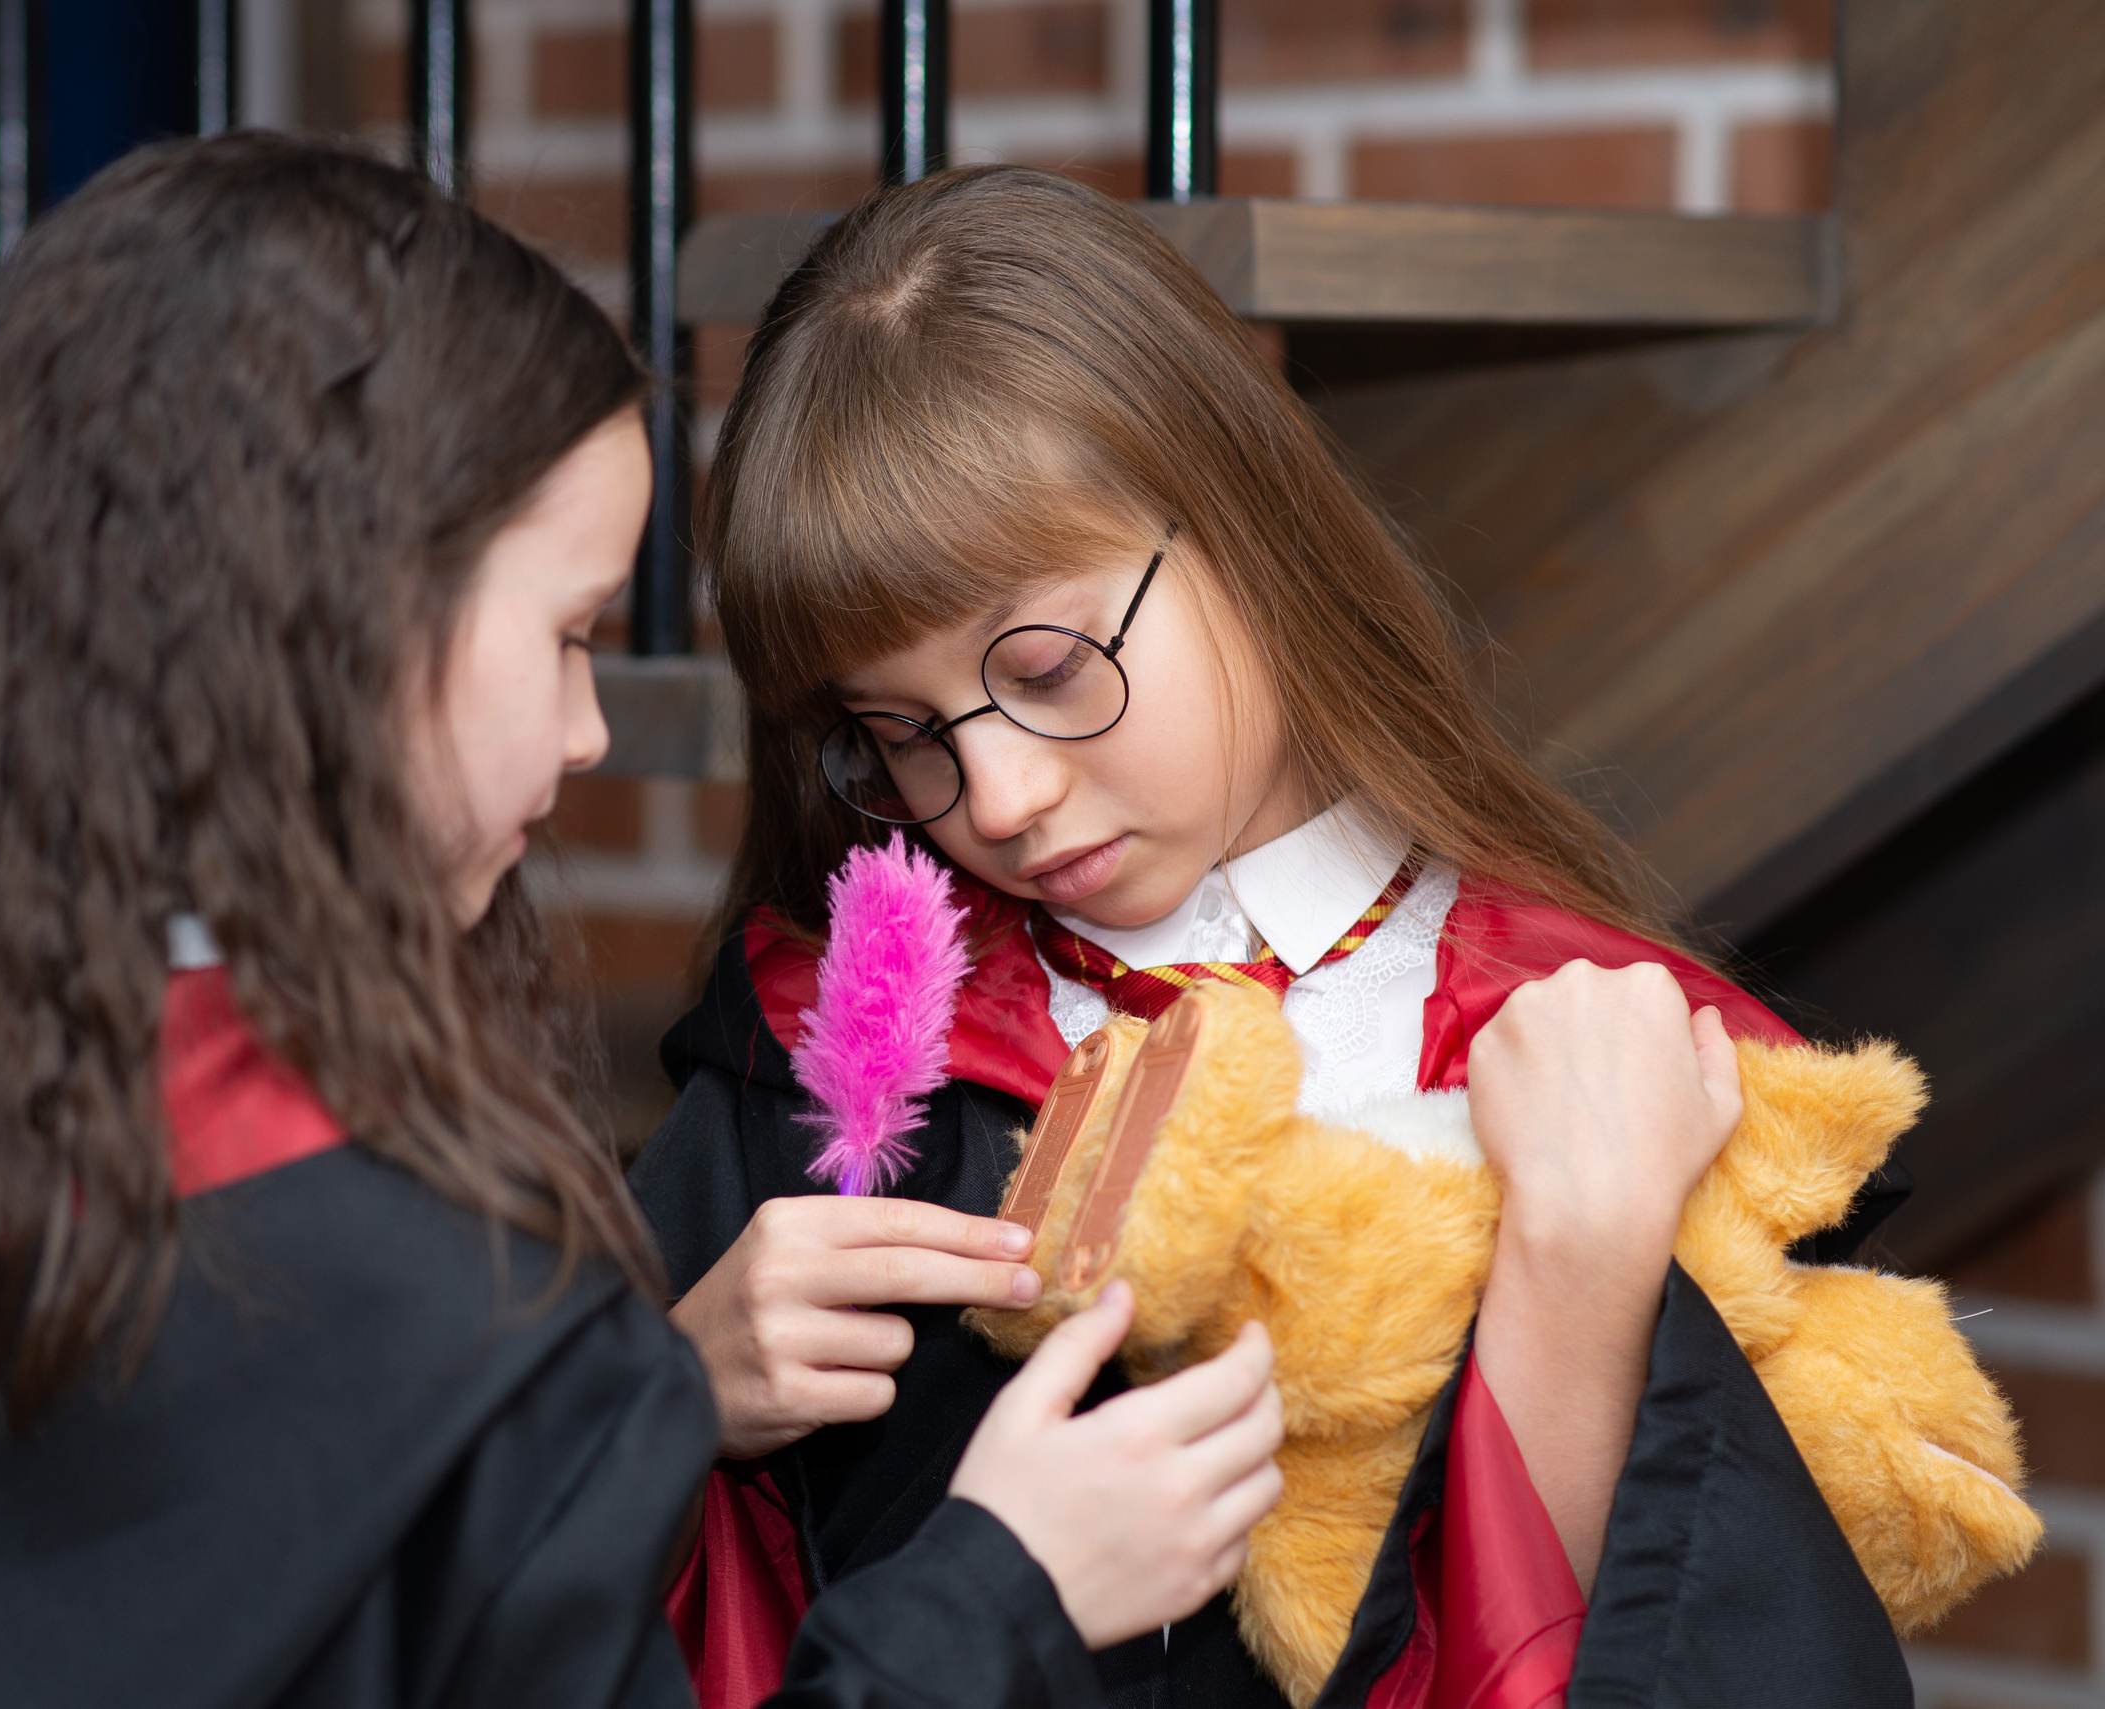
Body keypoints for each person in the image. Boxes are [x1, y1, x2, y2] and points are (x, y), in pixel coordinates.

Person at [0, 137, 1294, 1709]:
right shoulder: (434, 1297)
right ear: (342, 628)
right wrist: (1001, 1593)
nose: (596, 730)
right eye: (566, 633)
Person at [632, 165, 1915, 1707]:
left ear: (1242, 519)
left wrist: (1583, 1267)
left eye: (1049, 665)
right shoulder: (830, 1070)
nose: (999, 794)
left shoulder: (1595, 1051)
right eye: (898, 731)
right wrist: (661, 1400)